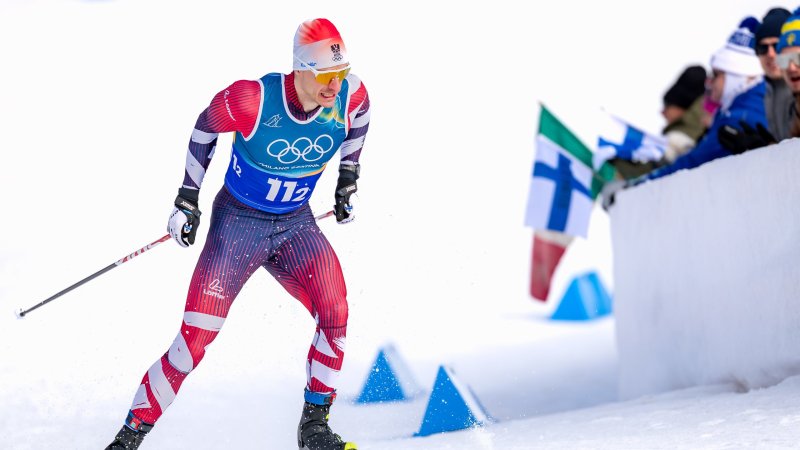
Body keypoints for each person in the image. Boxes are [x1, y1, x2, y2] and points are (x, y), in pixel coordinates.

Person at [104, 18, 369, 450]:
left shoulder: (351, 94)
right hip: (238, 225)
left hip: (295, 224)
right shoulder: (253, 99)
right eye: (324, 75)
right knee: (194, 340)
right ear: (299, 69)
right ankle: (129, 436)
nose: (333, 86)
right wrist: (186, 199)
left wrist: (348, 179)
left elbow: (361, 120)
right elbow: (204, 129)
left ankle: (314, 428)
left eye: (339, 74)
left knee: (335, 312)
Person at [602, 17, 767, 209]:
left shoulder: (743, 114)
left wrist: (635, 187)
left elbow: (693, 162)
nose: (709, 82)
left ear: (737, 75)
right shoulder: (739, 108)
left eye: (717, 75)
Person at [660, 65, 709, 163]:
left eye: (667, 105)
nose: (662, 112)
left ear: (683, 107)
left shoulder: (675, 140)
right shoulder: (704, 133)